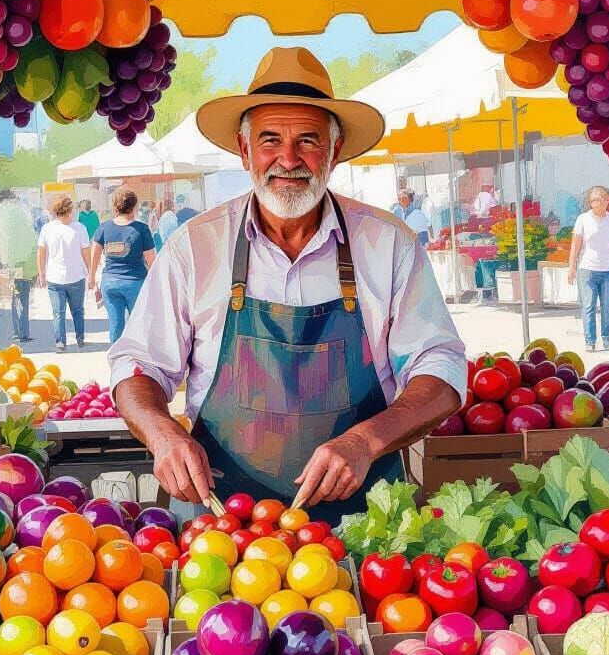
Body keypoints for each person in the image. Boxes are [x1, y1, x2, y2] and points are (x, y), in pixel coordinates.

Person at [109, 47, 466, 524]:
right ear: (244, 150)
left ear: (335, 151)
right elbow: (137, 365)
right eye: (270, 139)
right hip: (221, 524)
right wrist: (162, 433)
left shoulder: (389, 245)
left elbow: (441, 370)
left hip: (368, 528)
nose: (288, 158)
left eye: (309, 141)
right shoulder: (195, 248)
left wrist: (365, 441)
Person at [88, 187, 156, 344]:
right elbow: (151, 258)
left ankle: (117, 362)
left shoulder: (103, 228)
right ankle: (138, 362)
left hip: (110, 282)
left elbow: (95, 253)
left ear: (115, 207)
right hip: (135, 282)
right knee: (139, 325)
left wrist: (91, 276)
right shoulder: (141, 229)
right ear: (134, 206)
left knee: (116, 326)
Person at [568, 184, 609, 352]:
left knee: (607, 306)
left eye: (604, 199)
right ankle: (590, 340)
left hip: (608, 269)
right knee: (588, 306)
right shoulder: (583, 219)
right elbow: (575, 245)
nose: (601, 202)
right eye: (596, 199)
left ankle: (607, 338)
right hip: (587, 269)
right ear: (591, 202)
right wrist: (571, 267)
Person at [37, 194, 91, 352]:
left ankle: (60, 342)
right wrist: (91, 271)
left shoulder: (47, 228)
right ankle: (80, 337)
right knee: (78, 310)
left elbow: (40, 252)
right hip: (76, 277)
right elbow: (86, 251)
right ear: (70, 210)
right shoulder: (79, 228)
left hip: (54, 278)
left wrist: (41, 273)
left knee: (58, 312)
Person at [0, 189, 38, 342]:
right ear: (12, 197)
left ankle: (17, 331)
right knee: (23, 295)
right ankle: (23, 332)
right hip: (23, 262)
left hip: (5, 262)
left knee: (14, 295)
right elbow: (32, 237)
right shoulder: (22, 211)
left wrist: (0, 259)